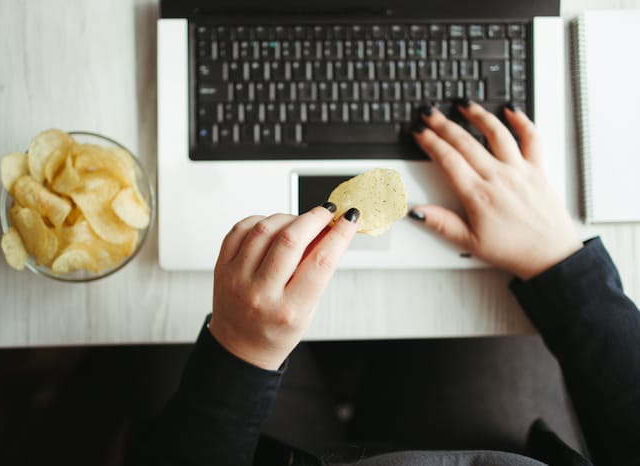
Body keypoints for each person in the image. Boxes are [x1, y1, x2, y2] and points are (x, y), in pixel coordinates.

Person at [126, 100, 640, 466]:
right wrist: (560, 264)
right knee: (498, 329)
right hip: (492, 443)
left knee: (164, 332)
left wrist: (238, 355)